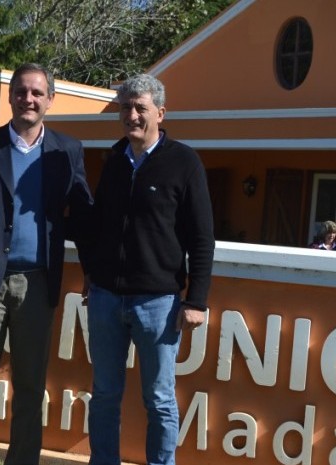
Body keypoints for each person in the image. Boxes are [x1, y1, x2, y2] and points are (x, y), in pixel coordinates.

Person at [0, 63, 93, 465]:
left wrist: (94, 267)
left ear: (50, 99)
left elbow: (81, 214)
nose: (28, 99)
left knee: (31, 384)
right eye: (21, 91)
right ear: (10, 96)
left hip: (38, 283)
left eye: (36, 93)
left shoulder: (67, 150)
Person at [81, 74, 215, 465]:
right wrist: (91, 271)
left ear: (160, 111)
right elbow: (101, 225)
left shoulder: (184, 162)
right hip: (106, 298)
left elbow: (202, 238)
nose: (132, 115)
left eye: (140, 107)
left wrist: (197, 301)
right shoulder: (115, 159)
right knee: (105, 394)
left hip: (159, 303)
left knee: (158, 398)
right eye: (126, 107)